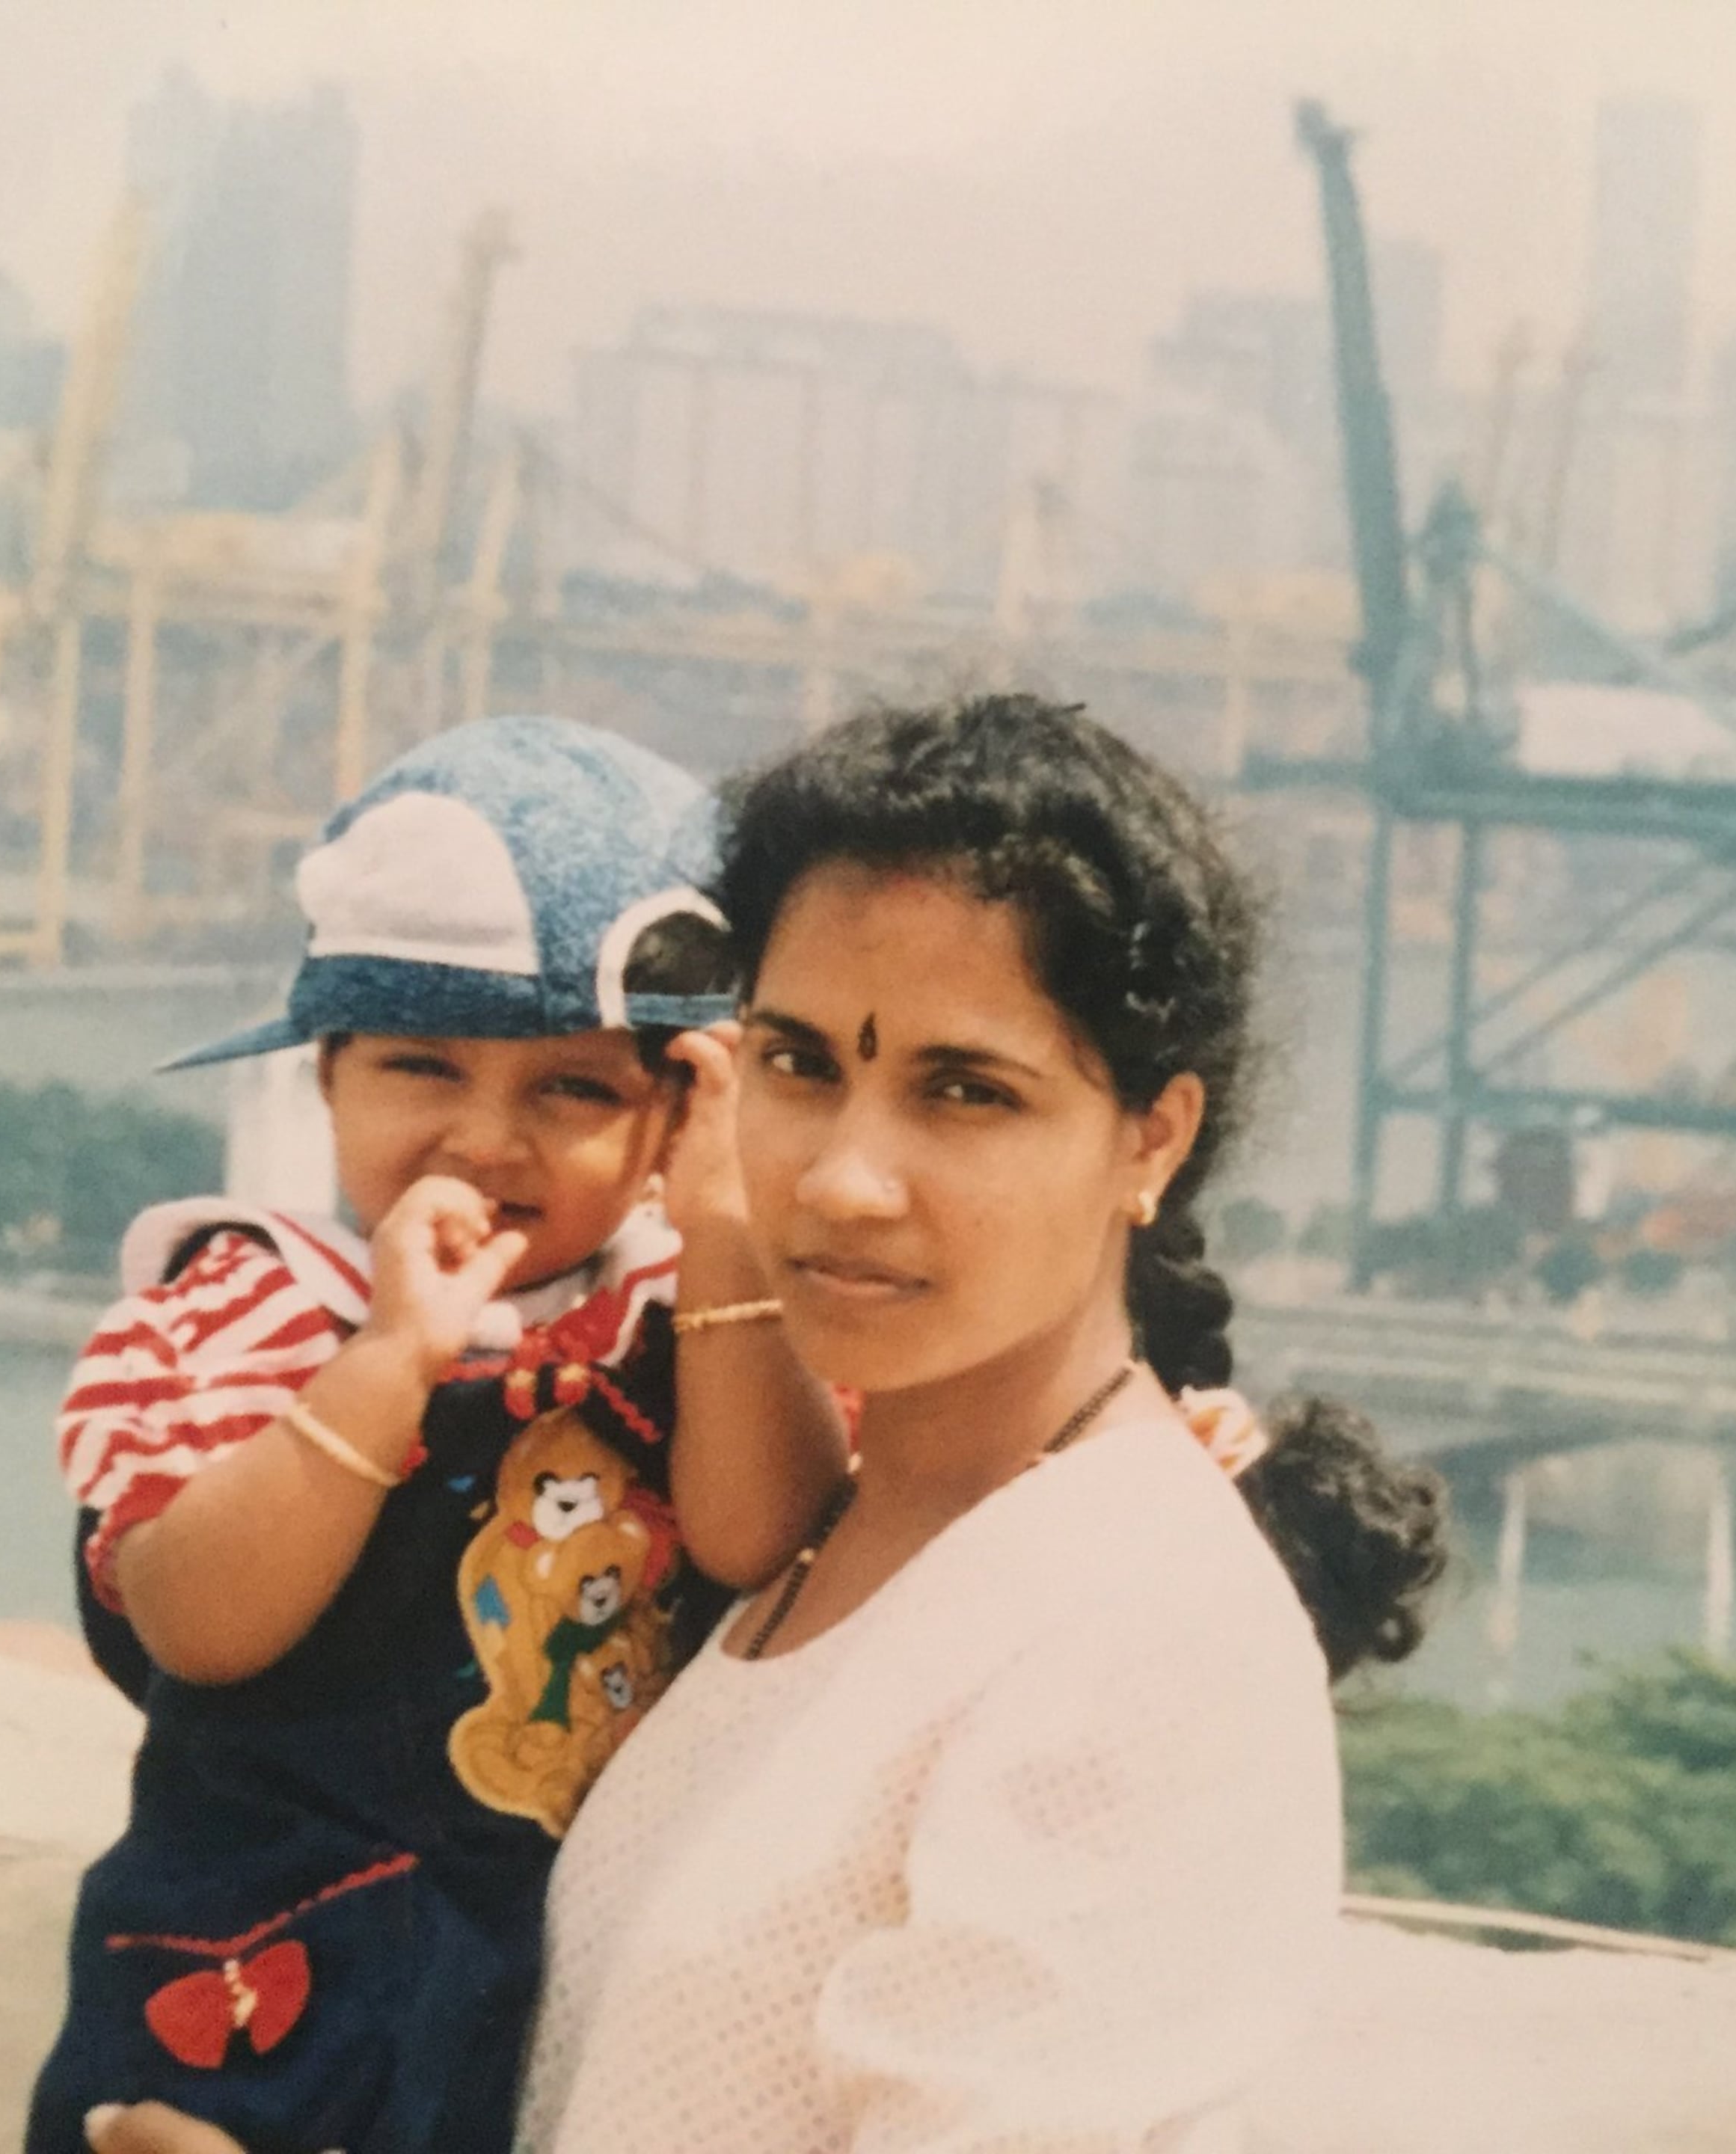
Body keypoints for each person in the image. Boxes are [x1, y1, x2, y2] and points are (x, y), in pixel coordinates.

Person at [514, 693, 1451, 2152]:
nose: (842, 1182)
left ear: (1154, 1136)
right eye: (801, 1062)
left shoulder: (1139, 1646)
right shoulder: (843, 1523)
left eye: (964, 1091)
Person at [29, 716, 844, 2154]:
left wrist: (725, 1237)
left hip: (563, 1996)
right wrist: (390, 1359)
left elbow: (758, 1538)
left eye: (574, 1089)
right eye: (421, 1068)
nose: (488, 1135)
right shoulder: (253, 1311)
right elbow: (194, 1626)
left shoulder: (693, 1317)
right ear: (325, 1079)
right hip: (260, 1989)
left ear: (672, 1120)